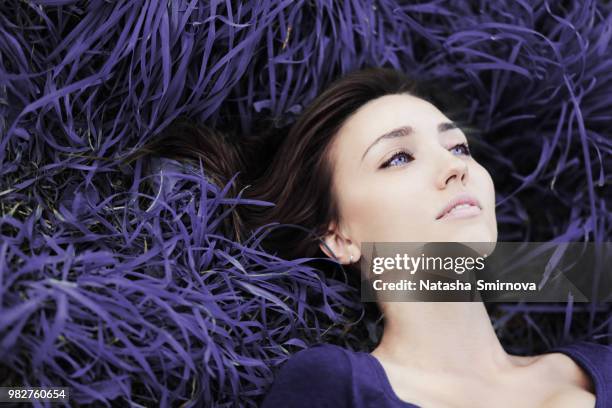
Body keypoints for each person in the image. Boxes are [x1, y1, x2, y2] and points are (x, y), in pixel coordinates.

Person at [136, 67, 610, 407]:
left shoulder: (601, 366)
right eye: (398, 157)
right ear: (337, 237)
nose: (455, 168)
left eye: (458, 145)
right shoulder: (339, 386)